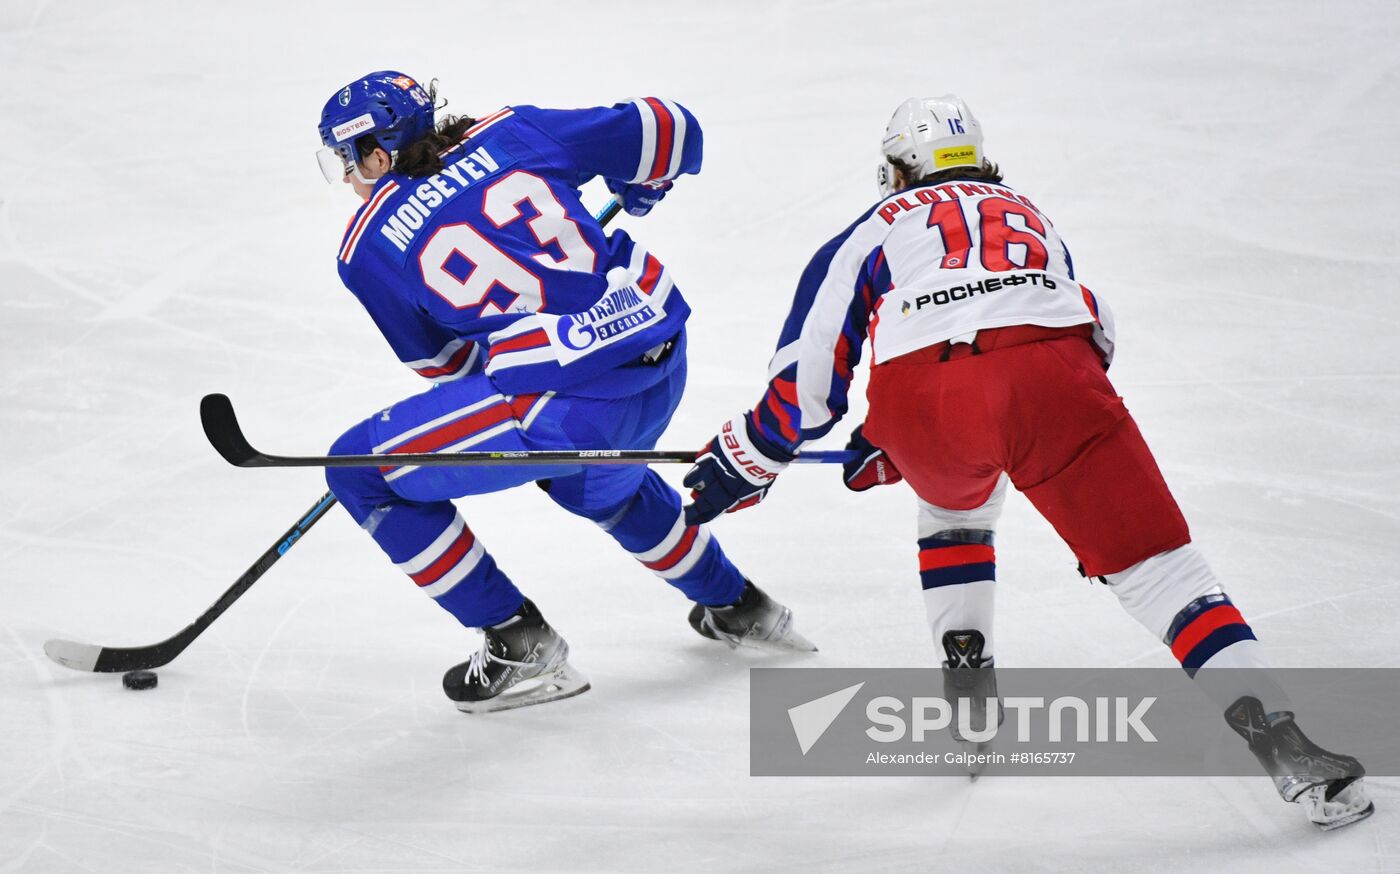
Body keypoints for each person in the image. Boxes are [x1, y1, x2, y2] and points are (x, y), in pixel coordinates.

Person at [682, 95, 1373, 830]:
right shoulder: (1026, 212)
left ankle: (966, 667)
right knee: (1167, 575)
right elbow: (1092, 324)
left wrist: (752, 456)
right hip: (1055, 375)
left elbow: (810, 383)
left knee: (952, 511)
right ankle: (1287, 746)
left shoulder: (874, 227)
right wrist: (1046, 411)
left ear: (893, 168)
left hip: (923, 397)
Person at [315, 71, 814, 714]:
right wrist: (642, 184)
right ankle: (742, 609)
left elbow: (450, 365)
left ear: (378, 154)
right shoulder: (515, 132)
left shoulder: (367, 249)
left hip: (569, 409)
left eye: (347, 160)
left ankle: (518, 645)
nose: (348, 178)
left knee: (360, 473)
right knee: (601, 484)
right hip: (661, 362)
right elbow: (670, 128)